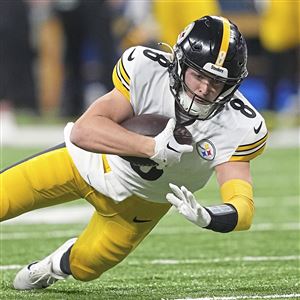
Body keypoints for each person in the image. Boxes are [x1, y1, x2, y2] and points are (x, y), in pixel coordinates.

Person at [1, 16, 268, 290]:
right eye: (199, 75)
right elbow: (84, 131)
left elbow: (243, 207)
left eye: (216, 82)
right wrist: (151, 148)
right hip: (88, 163)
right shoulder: (147, 69)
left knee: (85, 267)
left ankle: (54, 265)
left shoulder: (239, 125)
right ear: (179, 64)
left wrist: (210, 217)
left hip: (141, 204)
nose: (204, 89)